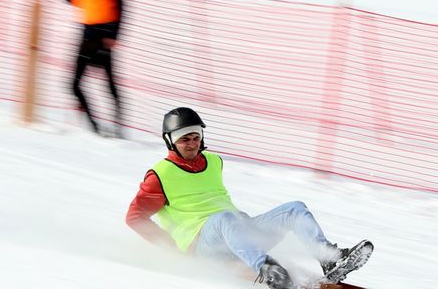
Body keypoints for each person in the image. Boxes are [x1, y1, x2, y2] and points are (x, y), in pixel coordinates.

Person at [126, 107, 374, 289]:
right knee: (224, 219)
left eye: (195, 137)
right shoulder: (160, 175)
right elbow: (135, 217)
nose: (192, 143)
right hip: (203, 244)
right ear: (170, 141)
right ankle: (267, 270)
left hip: (238, 234)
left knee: (294, 209)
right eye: (184, 139)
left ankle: (329, 258)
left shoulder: (214, 161)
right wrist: (170, 247)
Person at [49, 0, 124, 136]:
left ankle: (118, 130)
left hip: (104, 34)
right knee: (73, 84)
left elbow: (122, 2)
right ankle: (96, 129)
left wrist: (114, 35)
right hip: (87, 33)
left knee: (108, 85)